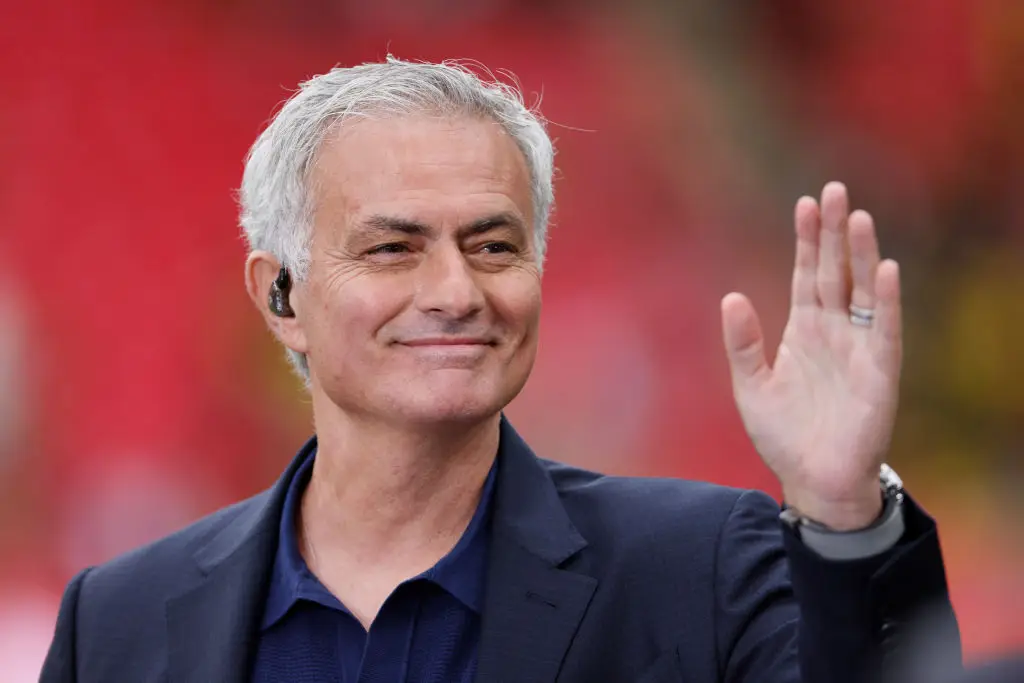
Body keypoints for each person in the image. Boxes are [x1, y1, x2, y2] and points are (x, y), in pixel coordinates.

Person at [40, 57, 962, 683]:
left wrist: (843, 511)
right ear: (281, 296)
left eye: (493, 245)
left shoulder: (704, 566)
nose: (455, 290)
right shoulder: (119, 621)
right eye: (394, 248)